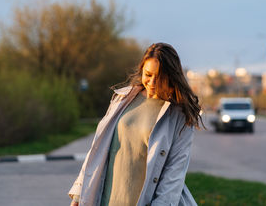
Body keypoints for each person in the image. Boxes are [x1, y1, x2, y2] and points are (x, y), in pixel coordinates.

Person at [69, 42, 203, 206]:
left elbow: (173, 175)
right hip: (104, 199)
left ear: (171, 76)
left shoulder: (181, 117)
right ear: (142, 71)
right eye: (148, 74)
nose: (152, 82)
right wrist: (79, 193)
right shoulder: (122, 99)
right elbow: (97, 148)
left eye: (159, 77)